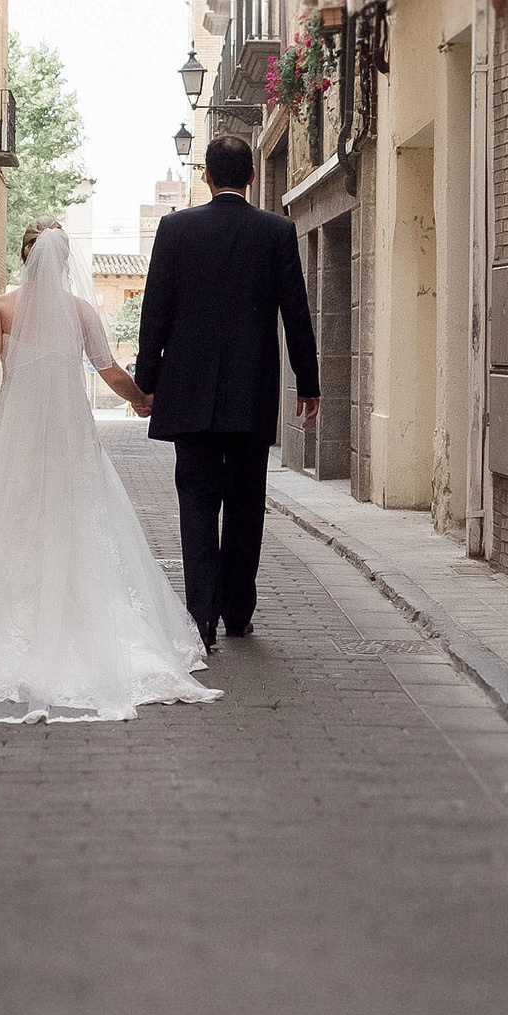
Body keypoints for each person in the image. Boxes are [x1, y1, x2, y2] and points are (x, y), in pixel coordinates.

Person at [0, 221, 219, 722]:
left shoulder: (1, 309)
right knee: (77, 521)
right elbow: (109, 369)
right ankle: (84, 627)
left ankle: (1, 630)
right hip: (70, 434)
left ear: (25, 258)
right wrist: (142, 398)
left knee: (9, 521)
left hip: (16, 434)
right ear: (64, 258)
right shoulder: (80, 311)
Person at [133, 134, 319, 650]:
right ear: (252, 176)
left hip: (188, 396)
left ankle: (201, 621)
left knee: (195, 506)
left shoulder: (175, 230)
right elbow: (296, 314)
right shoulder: (277, 232)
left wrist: (146, 384)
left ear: (207, 177)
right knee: (244, 506)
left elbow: (156, 315)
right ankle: (237, 614)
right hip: (249, 397)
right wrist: (309, 383)